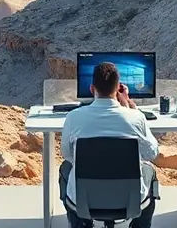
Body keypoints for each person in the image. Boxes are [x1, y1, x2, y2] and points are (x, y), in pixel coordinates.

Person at [59, 62, 160, 228]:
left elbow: (67, 154)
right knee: (150, 170)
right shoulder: (135, 118)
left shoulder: (73, 117)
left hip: (84, 199)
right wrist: (129, 107)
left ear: (92, 89)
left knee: (65, 168)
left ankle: (81, 224)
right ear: (118, 89)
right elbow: (151, 154)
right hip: (129, 200)